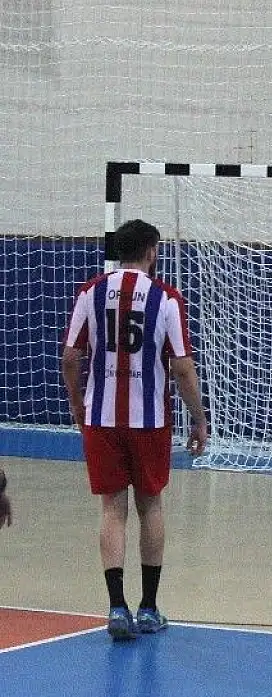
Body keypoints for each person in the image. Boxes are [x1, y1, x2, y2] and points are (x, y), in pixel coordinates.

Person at [61, 219, 209, 640]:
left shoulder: (90, 293)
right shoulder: (166, 298)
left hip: (101, 419)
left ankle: (115, 608)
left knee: (112, 508)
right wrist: (198, 418)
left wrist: (78, 403)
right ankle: (148, 608)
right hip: (149, 421)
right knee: (150, 506)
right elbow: (182, 368)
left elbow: (70, 358)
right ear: (151, 251)